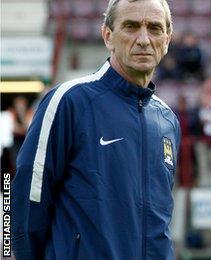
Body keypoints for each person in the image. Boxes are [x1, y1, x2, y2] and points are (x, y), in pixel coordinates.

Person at [11, 0, 180, 259]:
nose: (144, 39)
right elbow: (22, 195)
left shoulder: (167, 120)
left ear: (167, 40)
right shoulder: (69, 101)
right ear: (108, 36)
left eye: (155, 28)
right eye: (131, 26)